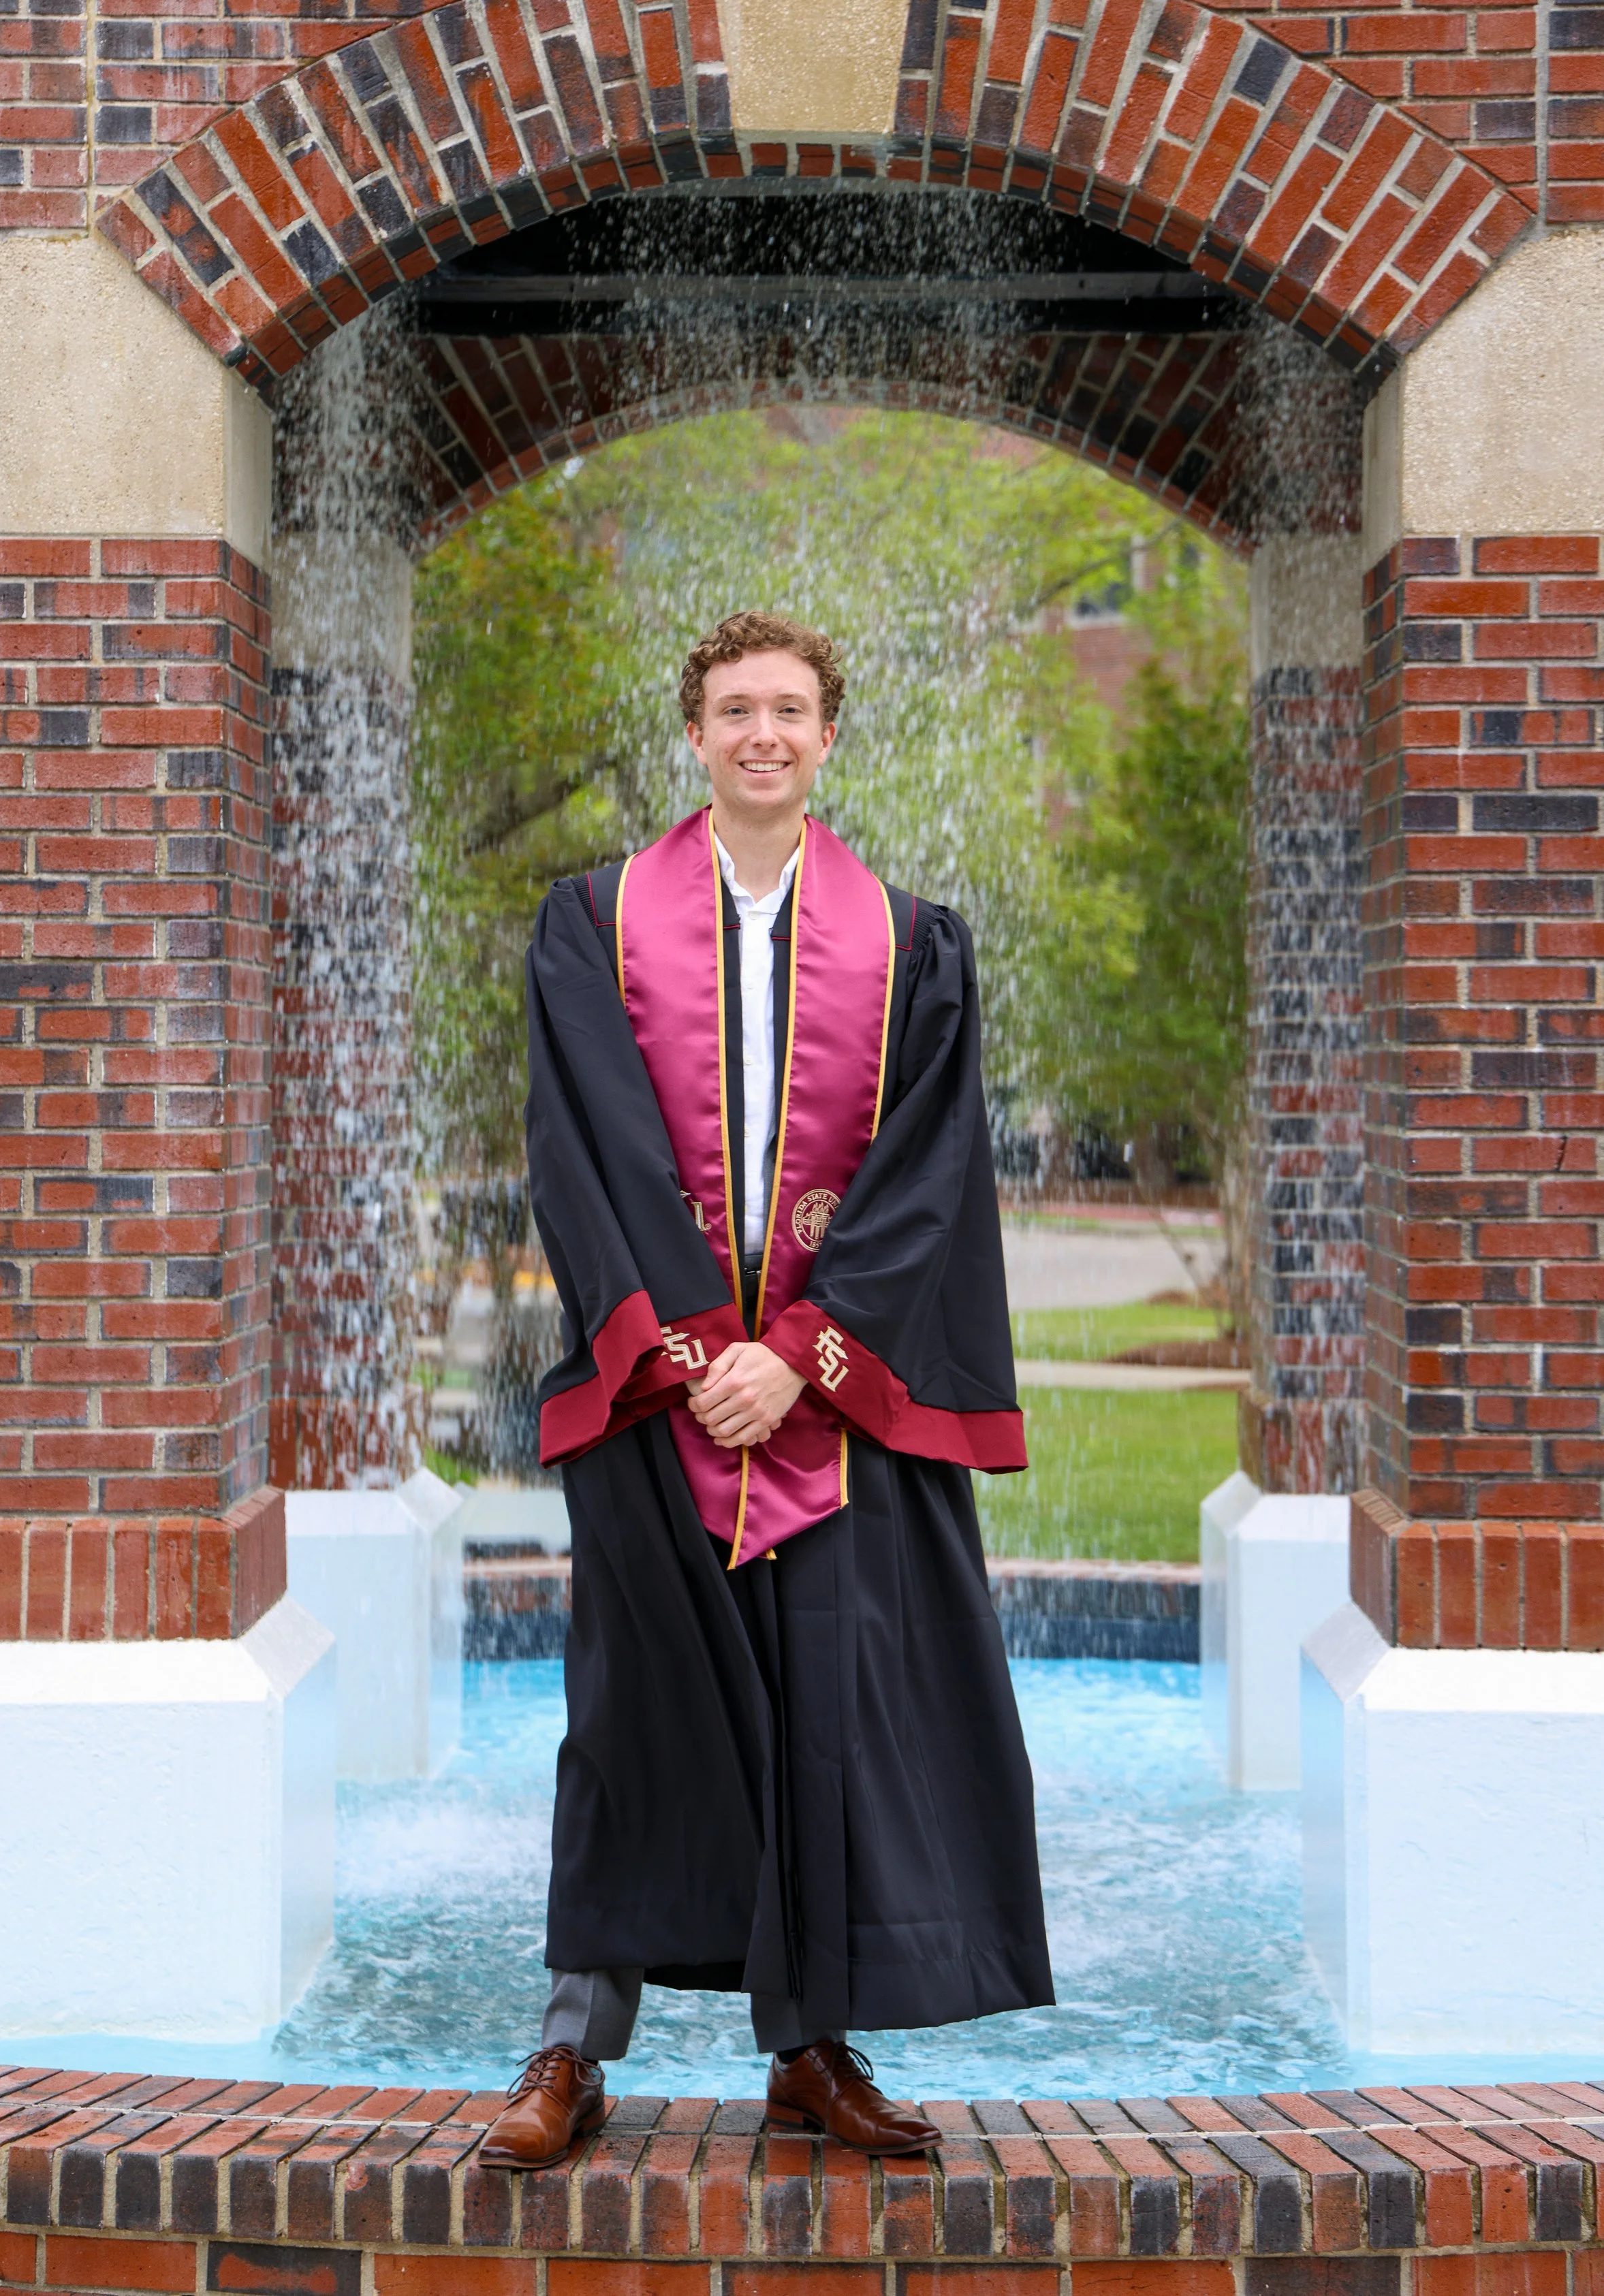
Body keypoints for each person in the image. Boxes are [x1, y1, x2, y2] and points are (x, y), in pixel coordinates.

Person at [477, 609, 1053, 2171]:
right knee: (627, 1716)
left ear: (826, 736)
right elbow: (578, 1151)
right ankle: (569, 2043)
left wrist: (796, 1349)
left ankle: (809, 2047)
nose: (762, 734)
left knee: (824, 1723)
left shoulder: (911, 943)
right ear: (694, 733)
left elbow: (927, 1173)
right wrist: (686, 1351)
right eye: (734, 708)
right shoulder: (591, 922)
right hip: (656, 1388)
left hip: (827, 1399)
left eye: (788, 709)